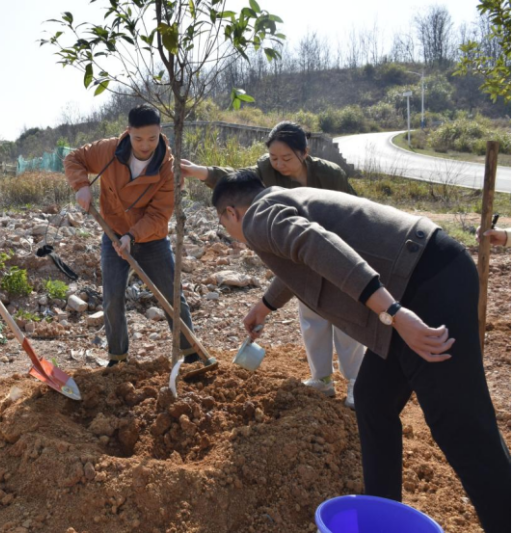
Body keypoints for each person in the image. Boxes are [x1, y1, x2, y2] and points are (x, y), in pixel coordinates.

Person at [211, 170, 510, 533]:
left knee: (461, 424)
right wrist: (265, 305)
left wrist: (394, 313)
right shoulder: (278, 201)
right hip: (419, 273)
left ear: (231, 213)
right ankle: (382, 520)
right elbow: (299, 259)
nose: (235, 238)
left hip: (424, 282)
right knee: (373, 399)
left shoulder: (258, 216)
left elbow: (315, 244)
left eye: (227, 229)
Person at [181, 122, 364, 408]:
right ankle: (322, 379)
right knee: (312, 317)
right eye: (274, 158)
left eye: (286, 158)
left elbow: (354, 211)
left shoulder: (330, 175)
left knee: (345, 321)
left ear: (305, 152)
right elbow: (237, 183)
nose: (279, 165)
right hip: (300, 253)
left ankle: (356, 383)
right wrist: (199, 172)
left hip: (337, 249)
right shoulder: (267, 171)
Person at [64, 104, 199, 366]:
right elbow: (74, 159)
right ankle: (118, 359)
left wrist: (133, 236)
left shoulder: (168, 169)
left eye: (151, 138)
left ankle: (191, 353)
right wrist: (81, 186)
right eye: (138, 139)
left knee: (172, 297)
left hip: (152, 239)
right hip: (113, 234)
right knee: (113, 298)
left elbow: (159, 215)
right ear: (128, 133)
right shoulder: (109, 150)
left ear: (160, 132)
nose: (145, 145)